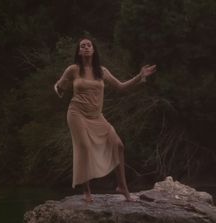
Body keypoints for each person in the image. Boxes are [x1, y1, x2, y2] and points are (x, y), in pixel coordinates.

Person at [54, 36, 157, 202]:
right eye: (83, 46)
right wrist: (59, 88)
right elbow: (60, 86)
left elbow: (121, 87)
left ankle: (122, 186)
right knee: (85, 148)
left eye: (89, 45)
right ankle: (86, 191)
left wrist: (140, 76)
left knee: (118, 145)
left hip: (96, 116)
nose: (86, 47)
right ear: (79, 52)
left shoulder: (102, 71)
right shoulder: (73, 69)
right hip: (77, 114)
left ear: (93, 50)